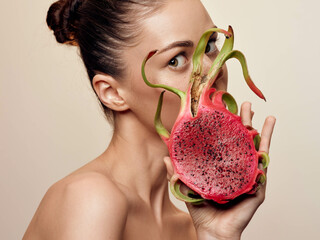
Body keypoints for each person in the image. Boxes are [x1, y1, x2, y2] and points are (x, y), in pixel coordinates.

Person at [23, 0, 276, 239]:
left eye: (209, 45)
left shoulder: (191, 227)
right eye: (176, 60)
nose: (212, 68)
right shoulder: (91, 199)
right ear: (113, 93)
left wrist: (217, 235)